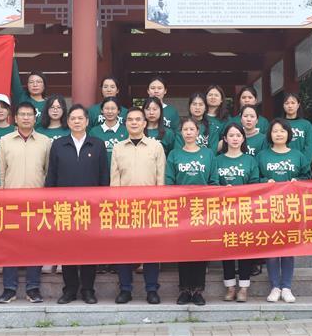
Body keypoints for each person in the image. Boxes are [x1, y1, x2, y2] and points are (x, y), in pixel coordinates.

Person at [45, 105, 109, 304]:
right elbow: (51, 176)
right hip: (65, 208)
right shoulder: (58, 145)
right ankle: (70, 290)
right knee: (68, 249)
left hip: (91, 207)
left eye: (80, 118)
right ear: (68, 121)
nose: (77, 121)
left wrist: (102, 204)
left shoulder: (97, 144)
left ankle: (88, 290)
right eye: (73, 118)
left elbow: (104, 177)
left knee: (90, 249)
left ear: (87, 121)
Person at [0, 102, 52, 304]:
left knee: (35, 245)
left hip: (37, 203)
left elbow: (48, 171)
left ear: (35, 118)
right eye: (22, 114)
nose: (26, 118)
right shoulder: (5, 141)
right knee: (10, 245)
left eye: (30, 114)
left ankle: (33, 288)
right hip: (11, 202)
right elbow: (1, 172)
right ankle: (9, 288)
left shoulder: (45, 142)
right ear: (15, 118)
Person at [110, 108, 165, 305]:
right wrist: (116, 206)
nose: (134, 123)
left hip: (150, 207)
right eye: (130, 120)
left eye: (138, 120)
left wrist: (159, 205)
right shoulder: (118, 148)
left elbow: (160, 179)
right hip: (125, 207)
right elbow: (114, 180)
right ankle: (125, 289)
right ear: (125, 124)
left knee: (151, 250)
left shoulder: (156, 147)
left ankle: (152, 289)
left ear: (144, 123)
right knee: (124, 250)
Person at [258, 118, 310, 304]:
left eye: (282, 131)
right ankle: (275, 286)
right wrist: (265, 182)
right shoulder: (262, 156)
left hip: (291, 207)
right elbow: (255, 178)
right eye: (275, 131)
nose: (278, 134)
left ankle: (286, 286)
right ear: (270, 134)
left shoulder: (298, 155)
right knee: (272, 246)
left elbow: (307, 176)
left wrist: (298, 182)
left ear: (288, 134)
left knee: (288, 247)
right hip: (268, 207)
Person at [166, 118, 217, 306]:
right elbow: (169, 181)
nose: (188, 132)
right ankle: (185, 290)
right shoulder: (174, 154)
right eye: (185, 129)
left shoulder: (208, 154)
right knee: (184, 249)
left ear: (198, 132)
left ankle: (198, 290)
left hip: (202, 209)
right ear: (181, 133)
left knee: (200, 249)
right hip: (181, 209)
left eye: (192, 129)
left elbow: (214, 181)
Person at [216, 122, 261, 302]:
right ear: (225, 139)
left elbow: (255, 184)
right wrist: (222, 190)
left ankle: (243, 287)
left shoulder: (250, 160)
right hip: (223, 211)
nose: (235, 139)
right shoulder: (217, 160)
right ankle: (230, 287)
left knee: (244, 248)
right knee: (227, 248)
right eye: (231, 135)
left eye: (238, 135)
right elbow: (212, 182)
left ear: (243, 139)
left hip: (245, 210)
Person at [89, 97, 128, 165]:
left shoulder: (126, 131)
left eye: (113, 108)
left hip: (121, 169)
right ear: (102, 110)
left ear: (118, 111)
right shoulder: (94, 132)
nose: (110, 111)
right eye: (107, 108)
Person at [282, 92, 312, 168]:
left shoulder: (306, 124)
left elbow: (309, 148)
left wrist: (303, 164)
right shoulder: (278, 124)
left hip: (302, 165)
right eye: (287, 103)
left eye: (293, 103)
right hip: (282, 165)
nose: (290, 106)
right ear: (283, 105)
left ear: (298, 105)